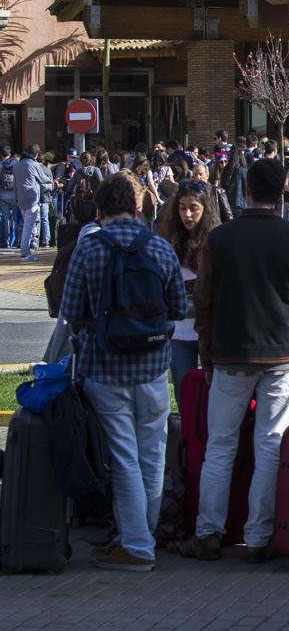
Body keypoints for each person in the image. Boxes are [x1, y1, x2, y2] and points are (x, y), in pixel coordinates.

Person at [181, 158, 289, 562]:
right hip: (282, 352)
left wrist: (207, 351)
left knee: (221, 444)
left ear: (247, 190)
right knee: (270, 444)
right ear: (283, 188)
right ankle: (260, 536)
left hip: (230, 354)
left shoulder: (220, 238)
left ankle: (208, 533)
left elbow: (203, 301)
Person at [61, 171, 186, 571]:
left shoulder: (90, 249)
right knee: (152, 456)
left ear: (100, 209)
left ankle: (136, 547)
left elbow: (70, 310)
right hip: (152, 367)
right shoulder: (162, 249)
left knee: (124, 456)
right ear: (137, 206)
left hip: (105, 367)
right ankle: (141, 536)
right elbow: (178, 309)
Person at [158, 179, 221, 402]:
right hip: (179, 334)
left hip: (210, 335)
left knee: (213, 401)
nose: (188, 215)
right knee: (186, 398)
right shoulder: (169, 242)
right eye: (183, 208)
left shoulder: (215, 242)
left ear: (205, 209)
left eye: (194, 208)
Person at [16, 144, 50, 261]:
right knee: (28, 228)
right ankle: (25, 254)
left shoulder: (17, 165)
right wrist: (53, 183)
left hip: (21, 200)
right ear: (36, 154)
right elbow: (43, 179)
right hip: (32, 199)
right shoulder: (34, 165)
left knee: (26, 225)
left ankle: (25, 252)